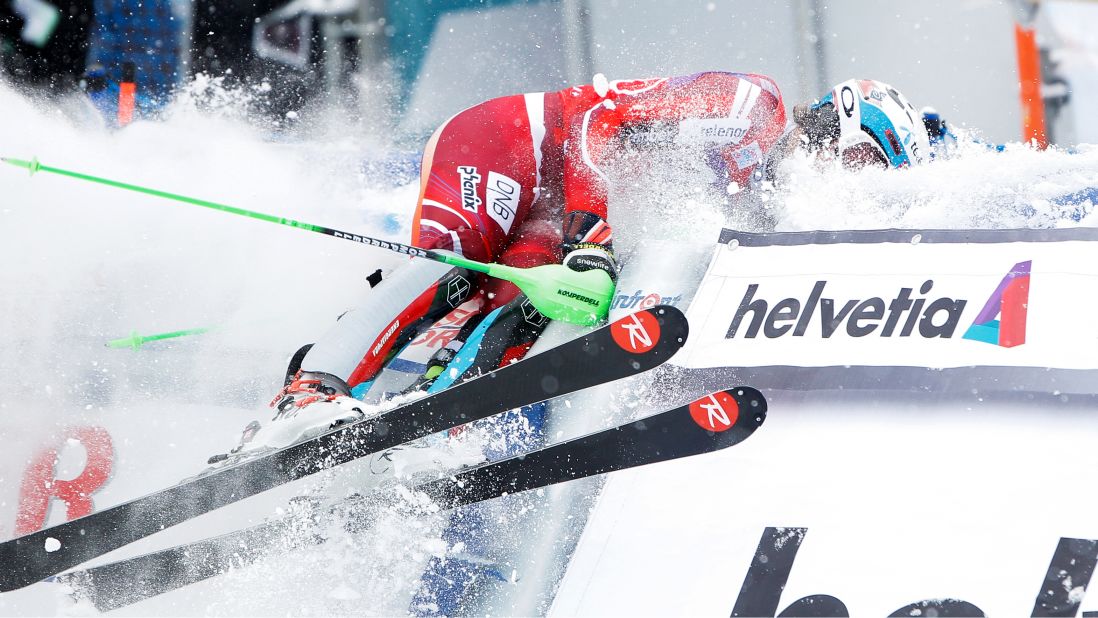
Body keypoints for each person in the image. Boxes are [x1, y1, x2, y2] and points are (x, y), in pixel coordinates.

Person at [260, 72, 932, 436]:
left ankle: (421, 421)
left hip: (555, 216)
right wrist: (590, 240)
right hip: (512, 141)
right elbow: (598, 125)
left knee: (530, 310)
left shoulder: (757, 208)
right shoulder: (752, 107)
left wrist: (585, 251)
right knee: (464, 259)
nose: (851, 184)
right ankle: (312, 389)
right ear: (832, 123)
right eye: (859, 161)